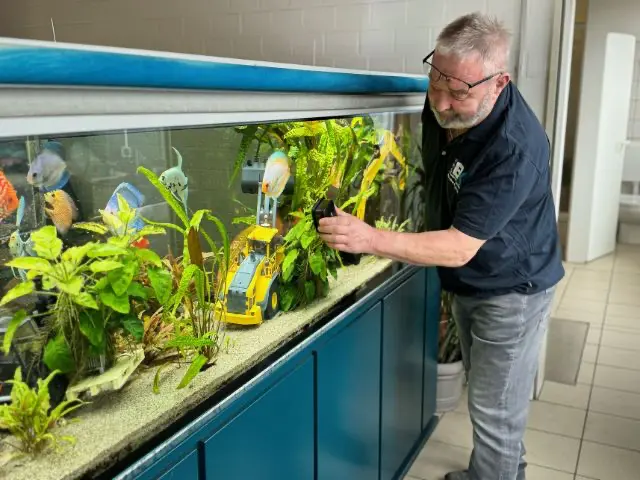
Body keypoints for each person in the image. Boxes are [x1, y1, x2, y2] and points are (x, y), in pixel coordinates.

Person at [317, 11, 565, 480]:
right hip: (474, 282)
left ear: (498, 83)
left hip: (511, 288)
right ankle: (507, 470)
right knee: (499, 402)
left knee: (494, 411)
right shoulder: (447, 100)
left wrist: (370, 239)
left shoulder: (514, 147)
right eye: (436, 82)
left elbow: (458, 248)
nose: (443, 102)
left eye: (459, 93)